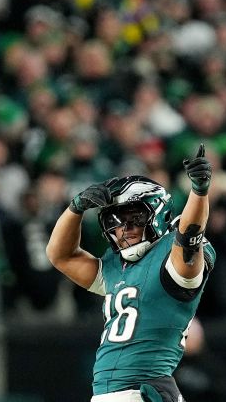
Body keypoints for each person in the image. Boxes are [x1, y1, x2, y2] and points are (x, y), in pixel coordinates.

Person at [46, 143, 215, 402]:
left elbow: (189, 234)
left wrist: (199, 192)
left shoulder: (171, 257)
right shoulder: (116, 266)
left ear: (157, 213)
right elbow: (61, 255)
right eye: (114, 221)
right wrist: (76, 208)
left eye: (133, 217)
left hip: (137, 389)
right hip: (121, 391)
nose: (123, 229)